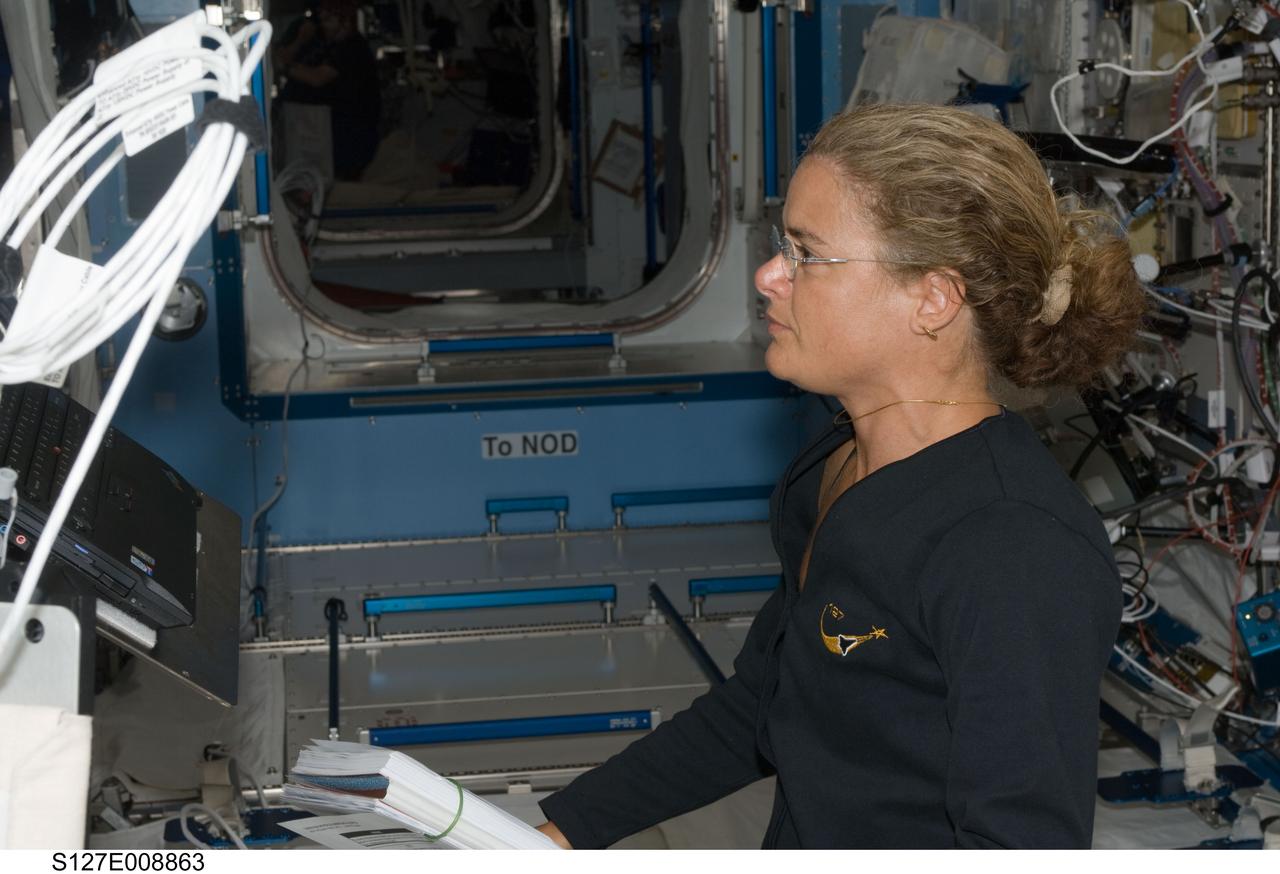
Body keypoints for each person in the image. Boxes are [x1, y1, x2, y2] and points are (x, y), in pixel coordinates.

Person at [536, 103, 1145, 849]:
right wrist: (554, 832)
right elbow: (765, 705)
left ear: (932, 298)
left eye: (806, 253)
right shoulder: (835, 468)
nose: (767, 276)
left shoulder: (1011, 547)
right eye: (778, 245)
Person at [277, 0, 380, 181]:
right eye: (322, 19)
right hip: (311, 131)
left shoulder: (353, 48)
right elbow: (284, 55)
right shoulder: (321, 44)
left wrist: (284, 67)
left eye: (329, 19)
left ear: (345, 20)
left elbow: (317, 78)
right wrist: (300, 41)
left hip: (345, 137)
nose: (324, 25)